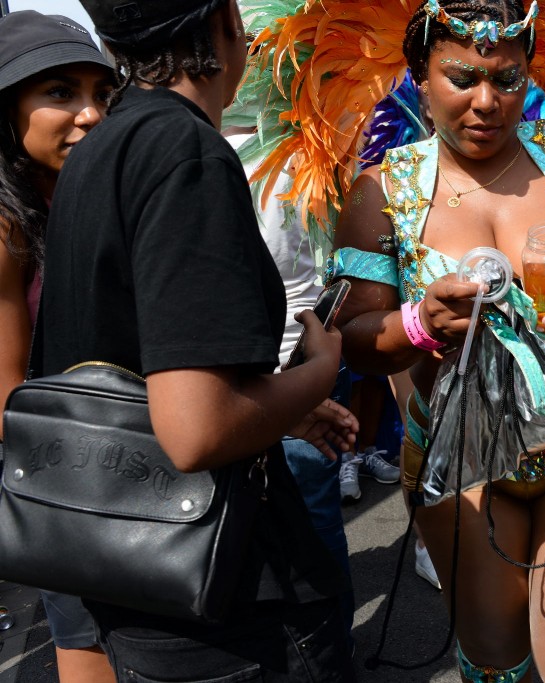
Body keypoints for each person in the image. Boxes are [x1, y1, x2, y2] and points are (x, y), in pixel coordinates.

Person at [333, 0, 545, 680]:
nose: (486, 101)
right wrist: (421, 324)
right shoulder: (379, 194)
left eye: (507, 80)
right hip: (461, 465)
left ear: (526, 78)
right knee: (495, 658)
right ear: (420, 80)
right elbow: (354, 339)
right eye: (462, 77)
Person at [40, 0, 356, 679]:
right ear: (226, 23)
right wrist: (319, 368)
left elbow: (129, 368)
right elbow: (196, 430)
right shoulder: (184, 150)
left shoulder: (101, 148)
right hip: (226, 602)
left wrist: (279, 406)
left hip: (134, 574)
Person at [0, 11, 117, 683]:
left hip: (121, 466)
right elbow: (7, 398)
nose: (91, 114)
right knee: (88, 641)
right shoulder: (10, 223)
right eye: (60, 93)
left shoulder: (83, 194)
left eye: (101, 93)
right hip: (64, 488)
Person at [223, 124, 361, 660]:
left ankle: (324, 648)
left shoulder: (308, 143)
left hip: (293, 366)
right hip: (273, 369)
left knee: (308, 520)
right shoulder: (311, 139)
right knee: (293, 522)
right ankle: (317, 647)